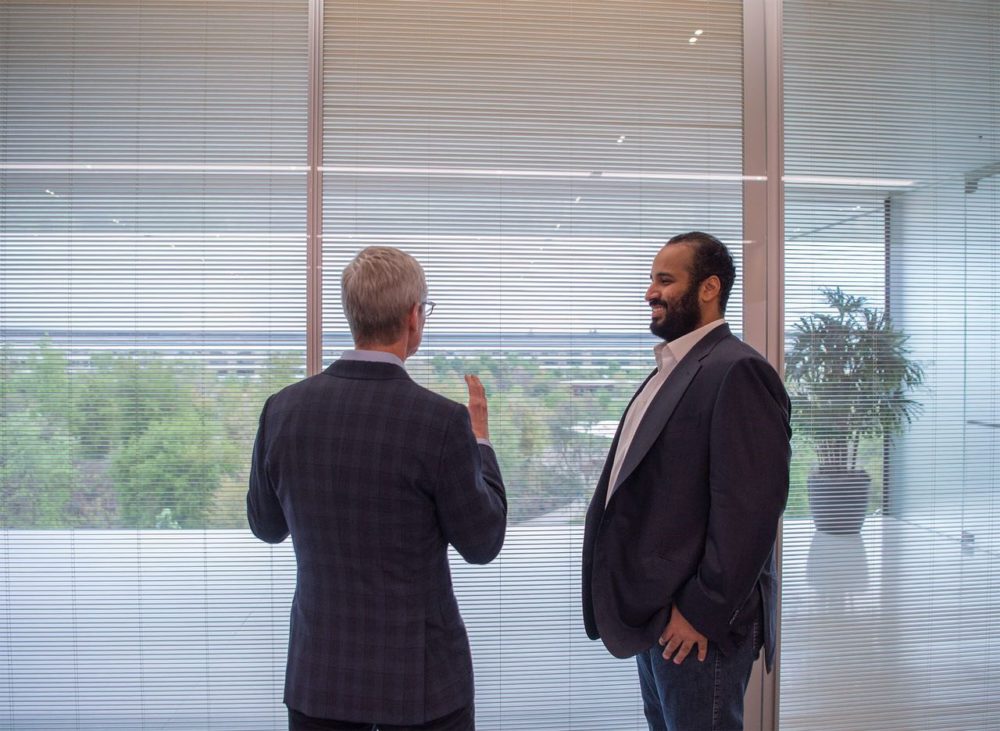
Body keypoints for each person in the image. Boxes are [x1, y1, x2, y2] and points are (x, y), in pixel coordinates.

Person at [248, 246, 507, 731]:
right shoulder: (442, 422)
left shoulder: (281, 410)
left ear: (354, 315)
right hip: (421, 688)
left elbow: (266, 526)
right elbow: (482, 542)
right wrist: (481, 442)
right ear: (413, 316)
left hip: (319, 681)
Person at [581, 232, 791, 731]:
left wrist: (699, 612)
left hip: (697, 628)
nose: (650, 292)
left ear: (708, 288)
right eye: (652, 280)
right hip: (658, 615)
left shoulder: (738, 370)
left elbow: (751, 512)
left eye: (665, 280)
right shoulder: (675, 368)